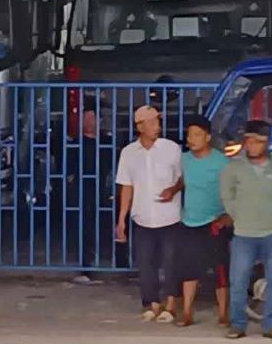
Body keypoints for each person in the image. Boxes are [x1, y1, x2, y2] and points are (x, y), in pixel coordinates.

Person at [220, 120, 272, 340]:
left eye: (257, 142)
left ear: (267, 143)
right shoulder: (234, 167)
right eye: (248, 141)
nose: (251, 145)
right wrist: (239, 216)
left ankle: (271, 325)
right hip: (244, 233)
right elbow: (227, 196)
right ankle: (238, 324)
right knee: (239, 281)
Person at [114, 105, 182, 322]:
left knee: (171, 262)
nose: (157, 126)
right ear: (139, 126)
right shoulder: (129, 153)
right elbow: (126, 186)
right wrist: (121, 219)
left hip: (169, 216)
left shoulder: (171, 148)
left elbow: (182, 178)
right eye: (151, 122)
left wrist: (173, 189)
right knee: (145, 264)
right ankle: (151, 303)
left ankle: (170, 304)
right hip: (143, 217)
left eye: (157, 121)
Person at [172, 116, 232, 327]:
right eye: (189, 134)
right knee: (189, 268)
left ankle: (224, 313)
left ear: (208, 137)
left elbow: (233, 191)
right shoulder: (184, 160)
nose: (191, 139)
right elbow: (181, 181)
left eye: (197, 135)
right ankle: (187, 313)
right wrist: (173, 190)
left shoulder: (222, 162)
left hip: (215, 222)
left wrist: (227, 216)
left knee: (220, 269)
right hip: (189, 221)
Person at [70, 107, 115, 283]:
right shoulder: (75, 143)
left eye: (91, 118)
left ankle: (117, 262)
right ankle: (86, 266)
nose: (88, 122)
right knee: (86, 226)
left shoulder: (106, 141)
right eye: (85, 119)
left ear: (98, 121)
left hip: (104, 187)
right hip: (84, 190)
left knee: (109, 224)